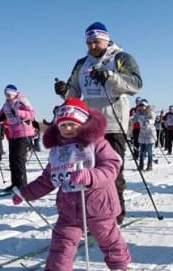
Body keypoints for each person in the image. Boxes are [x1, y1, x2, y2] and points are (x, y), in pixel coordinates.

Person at [12, 98, 131, 271]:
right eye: (63, 125)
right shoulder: (59, 151)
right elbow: (47, 180)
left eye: (72, 124)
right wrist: (25, 194)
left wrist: (90, 176)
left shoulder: (98, 144)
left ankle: (120, 263)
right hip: (69, 207)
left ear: (83, 123)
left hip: (98, 205)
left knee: (108, 237)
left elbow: (111, 166)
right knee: (62, 241)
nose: (67, 129)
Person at [54, 21, 142, 224]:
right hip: (88, 125)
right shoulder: (81, 63)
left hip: (113, 123)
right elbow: (74, 91)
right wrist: (63, 91)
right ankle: (92, 212)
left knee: (111, 171)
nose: (92, 46)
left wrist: (110, 77)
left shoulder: (121, 57)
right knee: (87, 170)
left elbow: (136, 84)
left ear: (105, 39)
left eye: (96, 42)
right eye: (89, 43)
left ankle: (115, 214)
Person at [0, 84, 35, 191]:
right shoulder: (6, 104)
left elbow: (32, 114)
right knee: (12, 160)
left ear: (14, 93)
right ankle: (15, 184)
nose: (6, 96)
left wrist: (18, 112)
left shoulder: (22, 101)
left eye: (8, 94)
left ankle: (22, 185)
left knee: (19, 160)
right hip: (13, 134)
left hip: (24, 133)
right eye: (5, 94)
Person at [138, 105, 156, 171]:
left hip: (150, 134)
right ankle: (141, 165)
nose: (142, 107)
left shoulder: (151, 112)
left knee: (149, 151)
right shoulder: (139, 114)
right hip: (142, 134)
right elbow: (133, 119)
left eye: (143, 105)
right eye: (140, 106)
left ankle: (150, 165)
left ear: (146, 106)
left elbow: (153, 120)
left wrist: (149, 121)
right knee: (141, 151)